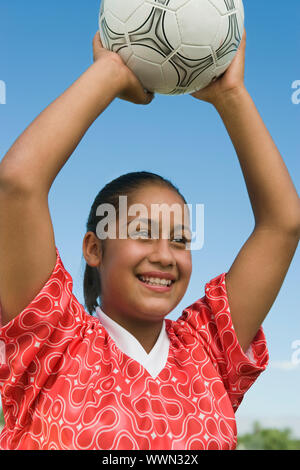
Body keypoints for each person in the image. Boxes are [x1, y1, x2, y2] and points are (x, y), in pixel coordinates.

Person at [0, 29, 299, 451]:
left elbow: (282, 224)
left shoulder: (209, 350)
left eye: (180, 240)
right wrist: (110, 73)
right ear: (94, 248)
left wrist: (231, 95)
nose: (165, 256)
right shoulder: (51, 340)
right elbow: (17, 185)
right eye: (143, 234)